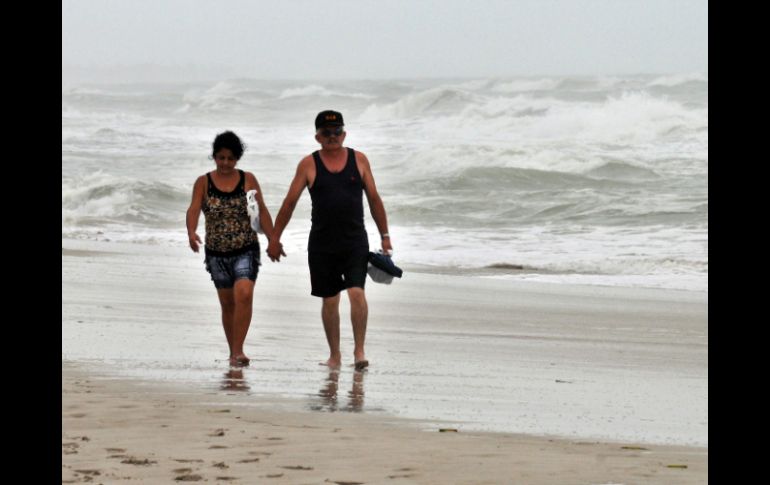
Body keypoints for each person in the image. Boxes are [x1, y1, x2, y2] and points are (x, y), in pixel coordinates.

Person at [267, 110, 392, 370]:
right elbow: (289, 203)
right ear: (318, 137)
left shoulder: (359, 160)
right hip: (322, 244)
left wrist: (385, 235)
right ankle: (335, 355)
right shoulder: (308, 164)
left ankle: (359, 351)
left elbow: (374, 199)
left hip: (355, 241)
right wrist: (275, 238)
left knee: (357, 293)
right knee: (330, 299)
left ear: (344, 134)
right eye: (327, 133)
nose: (332, 137)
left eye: (337, 132)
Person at [186, 131, 276, 367]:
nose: (225, 163)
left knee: (244, 294)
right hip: (216, 253)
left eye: (230, 158)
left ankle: (238, 351)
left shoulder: (248, 180)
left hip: (246, 248)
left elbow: (262, 211)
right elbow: (194, 209)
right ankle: (232, 351)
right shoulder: (203, 182)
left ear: (237, 159)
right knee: (228, 304)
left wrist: (273, 239)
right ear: (214, 157)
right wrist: (191, 231)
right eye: (221, 158)